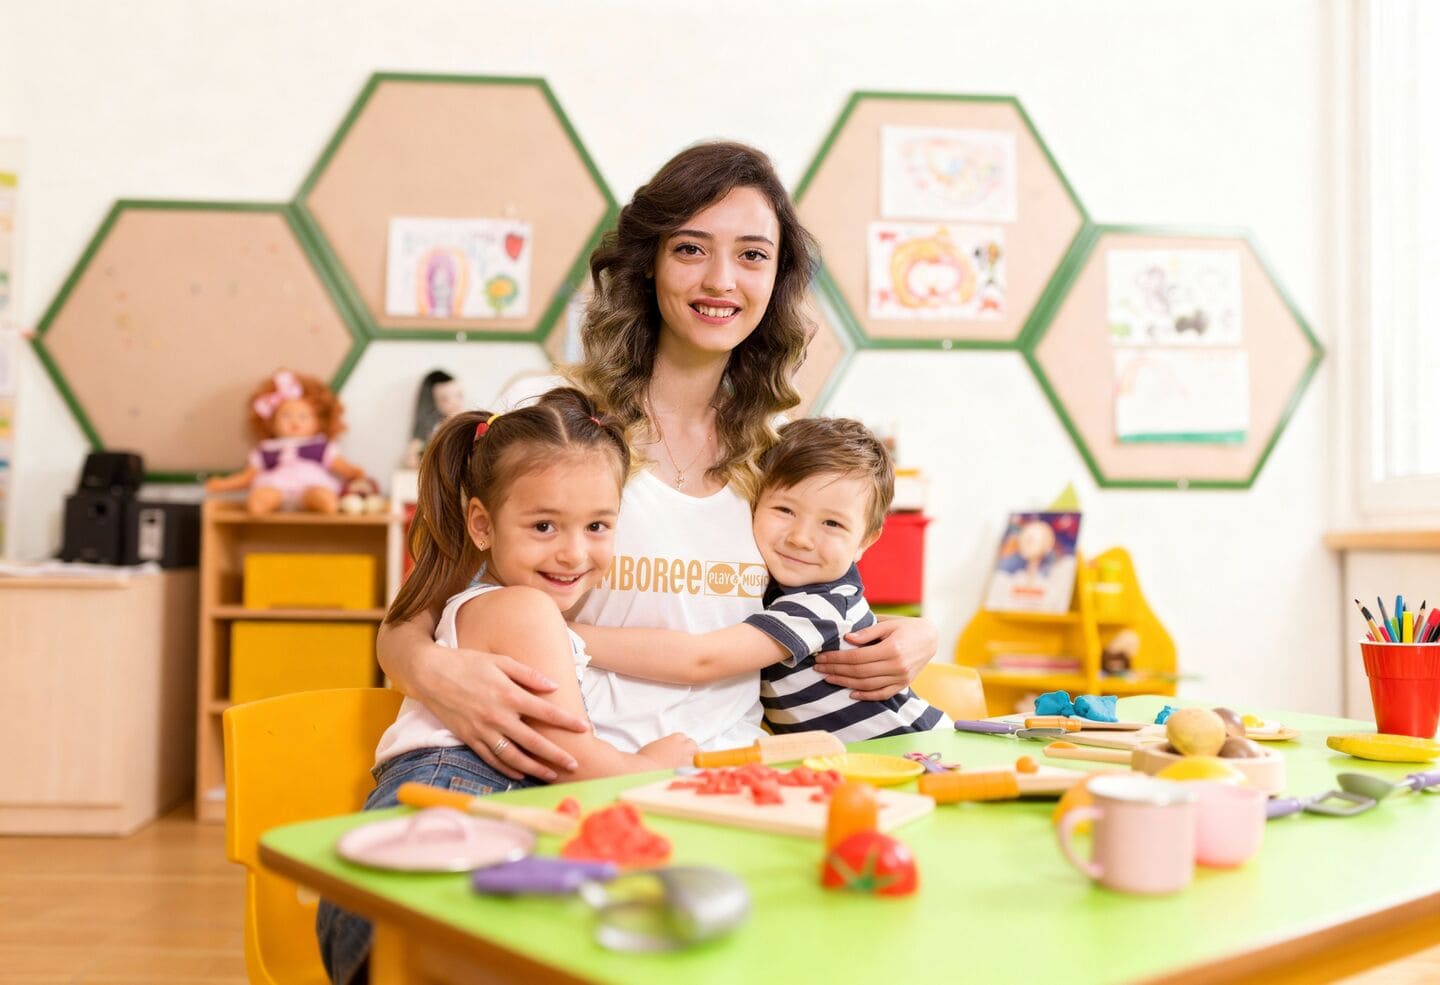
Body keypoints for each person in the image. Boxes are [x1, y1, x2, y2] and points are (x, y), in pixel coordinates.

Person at [376, 140, 939, 784]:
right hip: (546, 770)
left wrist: (913, 636)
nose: (721, 281)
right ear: (649, 263)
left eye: (752, 255)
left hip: (714, 777)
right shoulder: (555, 418)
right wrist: (432, 670)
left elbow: (813, 605)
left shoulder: (781, 459)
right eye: (691, 249)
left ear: (777, 279)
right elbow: (412, 617)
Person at [317, 387, 698, 984]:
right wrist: (652, 765)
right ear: (482, 524)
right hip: (438, 841)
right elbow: (568, 759)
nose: (574, 552)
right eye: (544, 525)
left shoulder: (501, 607)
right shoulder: (522, 609)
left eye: (597, 525)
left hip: (411, 849)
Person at [574, 416, 949, 741]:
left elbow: (701, 660)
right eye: (785, 509)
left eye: (832, 523)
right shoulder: (777, 587)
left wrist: (566, 635)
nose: (800, 538)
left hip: (915, 750)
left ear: (865, 541)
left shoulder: (821, 605)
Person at [402, 368, 465, 469]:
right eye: (444, 399)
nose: (454, 402)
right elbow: (410, 460)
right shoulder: (432, 428)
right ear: (432, 402)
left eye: (459, 395)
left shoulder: (466, 423)